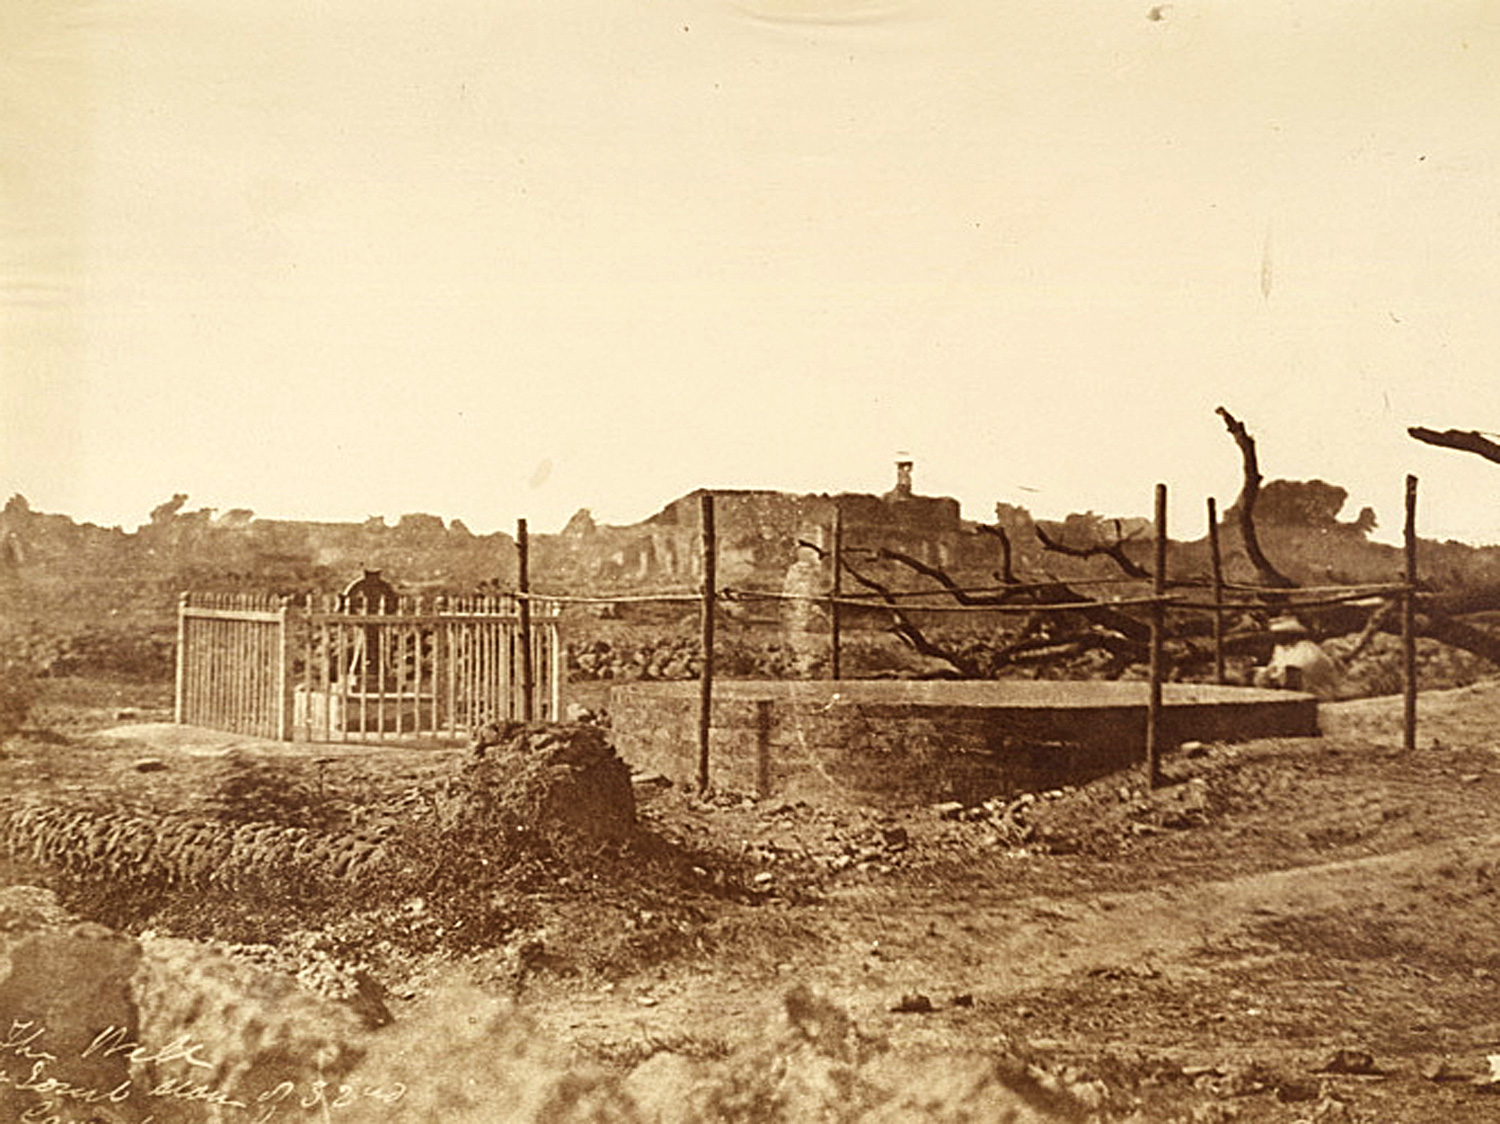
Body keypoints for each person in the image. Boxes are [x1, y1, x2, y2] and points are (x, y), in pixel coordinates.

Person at [1254, 616, 1342, 700]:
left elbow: (1293, 680)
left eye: (1279, 634)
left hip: (1315, 695)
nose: (1275, 637)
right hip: (1299, 691)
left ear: (1291, 635)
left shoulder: (1305, 651)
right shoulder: (1284, 649)